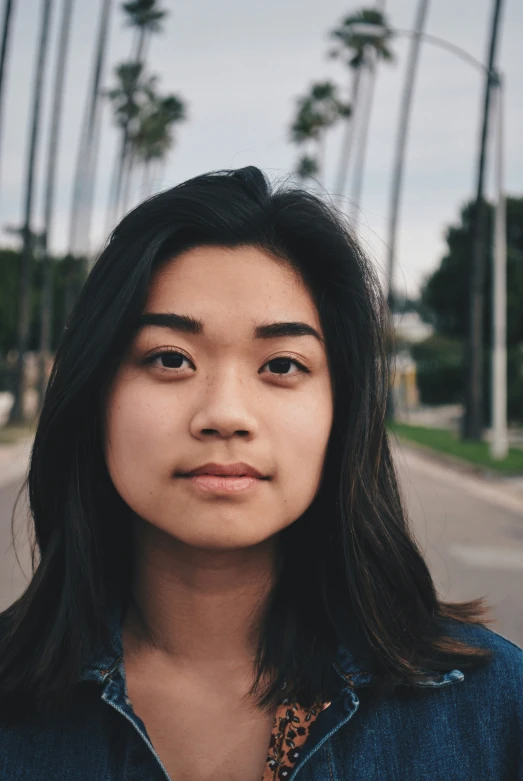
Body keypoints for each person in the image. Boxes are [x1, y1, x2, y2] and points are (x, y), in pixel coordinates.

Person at [0, 166, 521, 781]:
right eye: (170, 358)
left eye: (281, 363)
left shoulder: (490, 711)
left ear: (342, 410)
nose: (224, 414)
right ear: (97, 395)